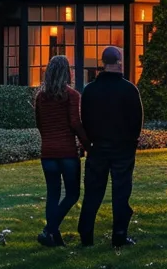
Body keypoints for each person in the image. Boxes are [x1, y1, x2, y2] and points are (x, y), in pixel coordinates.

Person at [76, 46, 142, 247]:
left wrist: (89, 143)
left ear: (102, 62)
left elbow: (84, 119)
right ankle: (119, 235)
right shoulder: (129, 89)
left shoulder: (90, 90)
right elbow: (136, 121)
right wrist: (132, 142)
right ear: (119, 61)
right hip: (122, 147)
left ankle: (86, 235)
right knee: (121, 193)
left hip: (98, 147)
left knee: (93, 193)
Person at [33, 55, 85, 247]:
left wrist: (48, 139)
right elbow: (76, 124)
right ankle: (49, 230)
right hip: (67, 153)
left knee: (53, 194)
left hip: (47, 153)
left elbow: (40, 124)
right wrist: (88, 145)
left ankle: (53, 236)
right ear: (67, 72)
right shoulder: (72, 96)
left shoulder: (40, 97)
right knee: (72, 194)